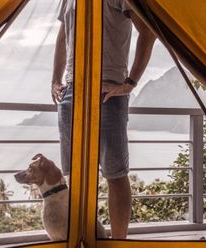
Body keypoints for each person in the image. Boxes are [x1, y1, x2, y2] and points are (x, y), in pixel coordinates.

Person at [51, 0, 156, 239]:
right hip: (72, 93)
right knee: (75, 174)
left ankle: (119, 242)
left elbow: (148, 32)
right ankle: (83, 238)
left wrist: (130, 83)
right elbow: (62, 38)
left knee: (115, 173)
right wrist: (55, 80)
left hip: (107, 93)